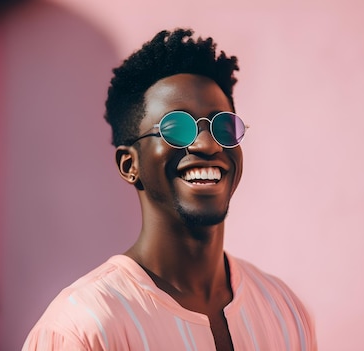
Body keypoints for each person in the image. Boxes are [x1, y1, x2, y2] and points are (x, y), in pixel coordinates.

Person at [22, 28, 317, 351]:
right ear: (128, 164)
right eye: (177, 128)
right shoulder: (82, 328)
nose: (207, 144)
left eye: (223, 126)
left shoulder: (284, 309)